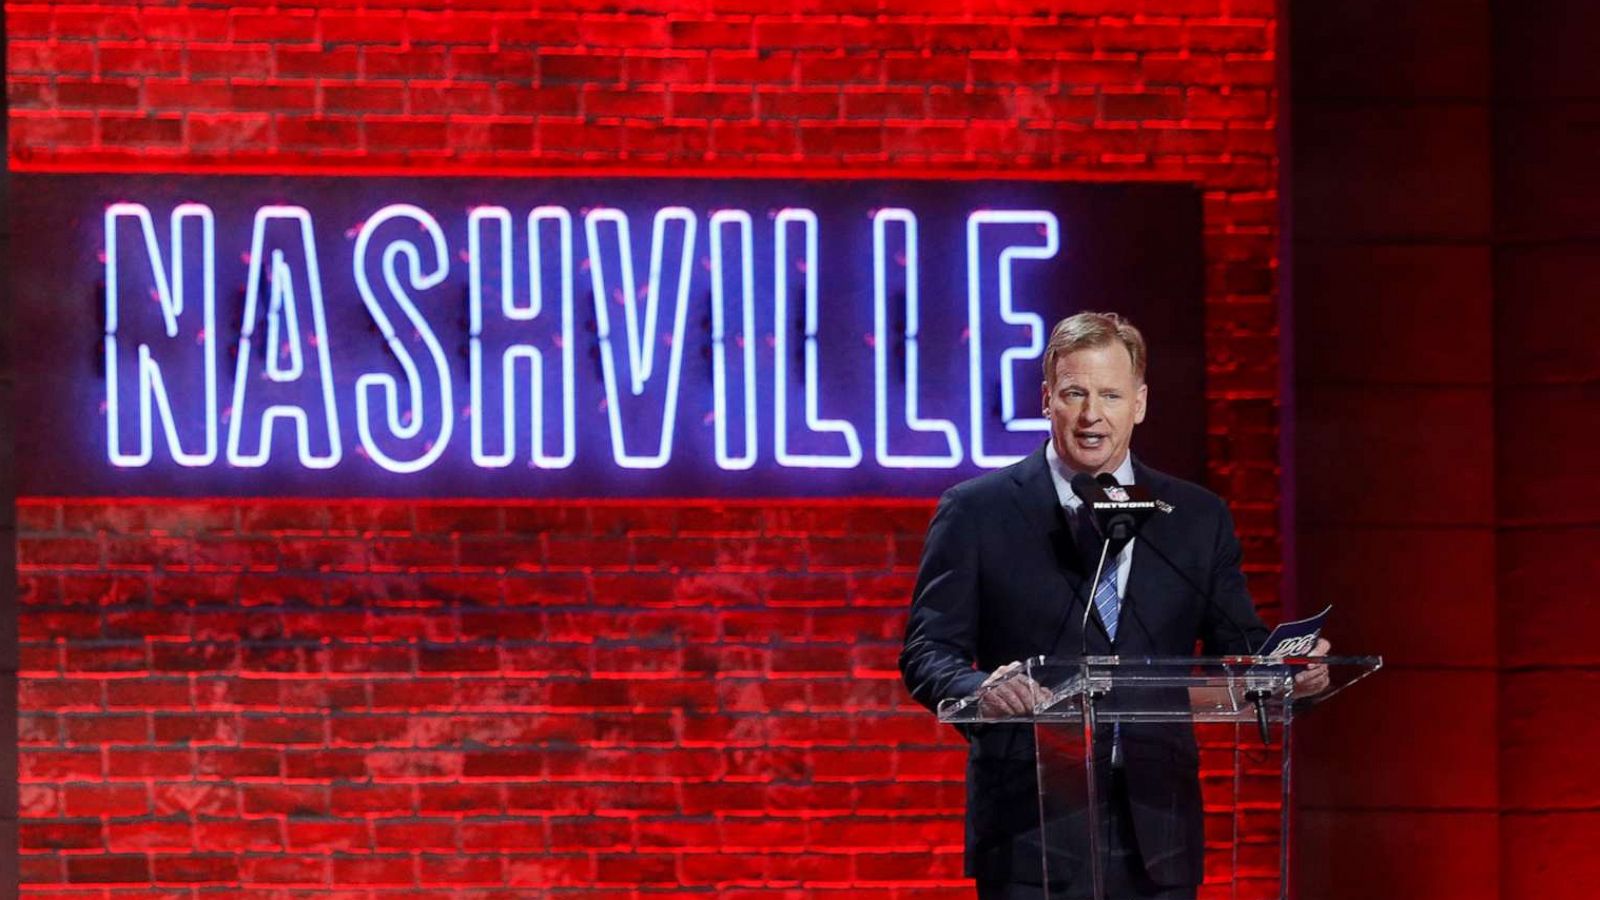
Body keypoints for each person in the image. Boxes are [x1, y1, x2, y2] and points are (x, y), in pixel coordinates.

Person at [899, 312, 1328, 899]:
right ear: (1047, 398)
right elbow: (928, 650)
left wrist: (1288, 675)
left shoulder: (1196, 519)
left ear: (1140, 403)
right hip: (1032, 831)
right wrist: (981, 691)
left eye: (1110, 395)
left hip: (1159, 831)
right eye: (1074, 393)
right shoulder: (977, 512)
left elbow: (1240, 648)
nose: (1091, 415)